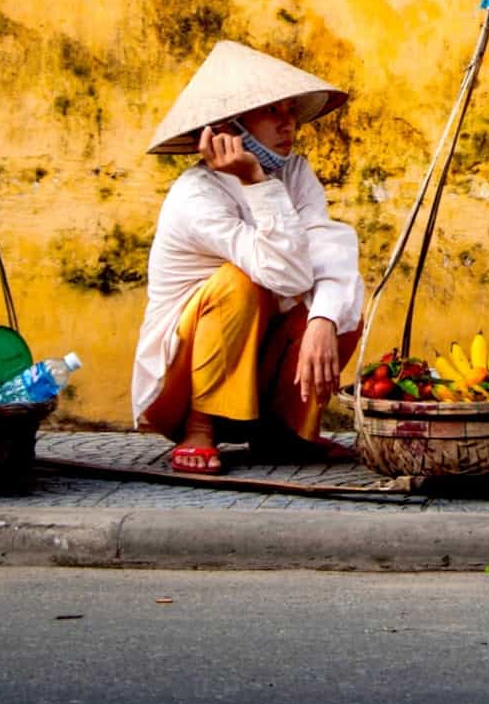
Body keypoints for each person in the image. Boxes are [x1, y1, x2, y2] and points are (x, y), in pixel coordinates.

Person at [131, 40, 363, 474]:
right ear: (227, 127)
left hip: (254, 364)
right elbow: (289, 275)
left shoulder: (294, 173)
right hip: (180, 385)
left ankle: (286, 433)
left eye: (290, 110)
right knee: (240, 282)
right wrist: (256, 182)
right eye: (271, 111)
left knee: (340, 307)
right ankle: (200, 429)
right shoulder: (195, 195)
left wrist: (323, 321)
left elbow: (329, 253)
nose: (287, 123)